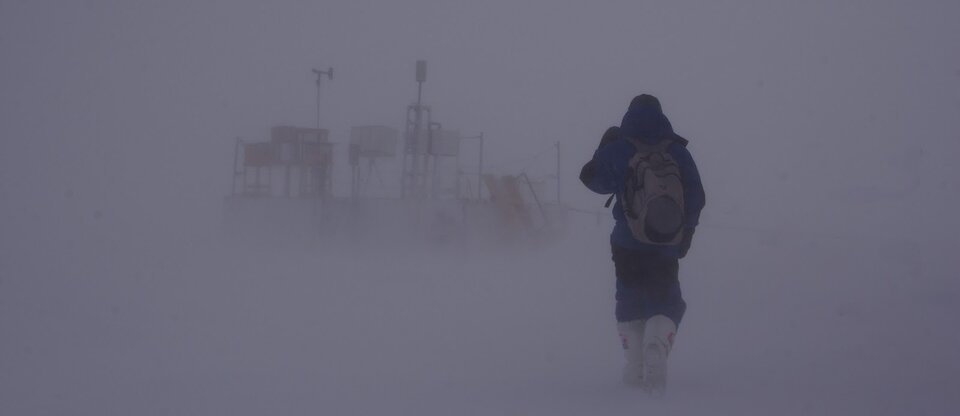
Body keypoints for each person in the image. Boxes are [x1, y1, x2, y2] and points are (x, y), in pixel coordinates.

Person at [579, 94, 705, 395]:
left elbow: (592, 180)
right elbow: (697, 197)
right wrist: (686, 234)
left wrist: (603, 149)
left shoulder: (621, 148)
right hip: (666, 243)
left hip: (627, 243)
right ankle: (656, 345)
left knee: (630, 301)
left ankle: (634, 365)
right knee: (667, 302)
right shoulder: (678, 151)